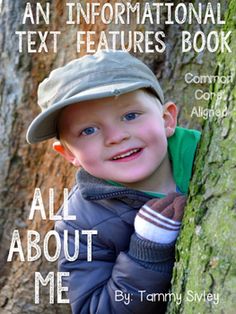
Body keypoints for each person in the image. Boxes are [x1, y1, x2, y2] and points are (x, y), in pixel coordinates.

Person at [26, 50, 201, 314]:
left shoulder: (210, 154)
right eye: (88, 130)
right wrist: (147, 255)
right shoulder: (79, 224)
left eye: (130, 116)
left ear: (167, 119)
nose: (116, 137)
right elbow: (93, 309)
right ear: (70, 154)